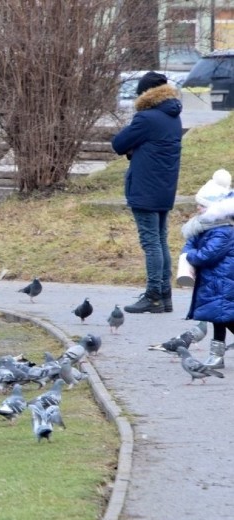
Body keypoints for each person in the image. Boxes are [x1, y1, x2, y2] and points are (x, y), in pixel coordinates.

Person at [112, 71, 183, 314]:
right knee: (161, 240)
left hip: (145, 188)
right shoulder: (173, 116)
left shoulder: (146, 118)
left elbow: (118, 144)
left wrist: (132, 149)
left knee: (151, 243)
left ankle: (153, 295)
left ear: (146, 94)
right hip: (164, 189)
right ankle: (165, 296)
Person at [181, 171, 234, 369]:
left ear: (214, 209)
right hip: (214, 282)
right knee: (218, 320)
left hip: (224, 282)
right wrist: (189, 253)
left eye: (202, 205)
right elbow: (190, 243)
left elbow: (207, 255)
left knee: (225, 319)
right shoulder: (206, 227)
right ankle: (217, 356)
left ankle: (217, 356)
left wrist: (190, 256)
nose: (197, 208)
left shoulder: (224, 231)